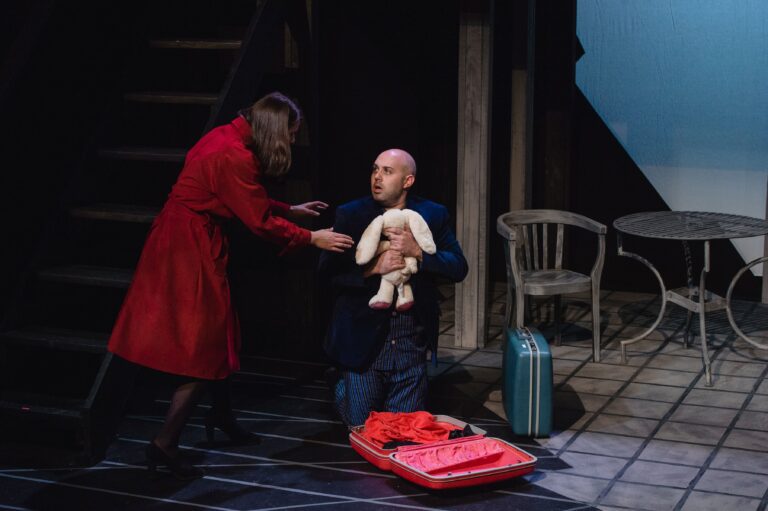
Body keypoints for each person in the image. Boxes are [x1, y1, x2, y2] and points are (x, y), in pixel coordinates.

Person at [107, 92, 353, 479]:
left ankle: (220, 415)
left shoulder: (227, 136)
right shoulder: (234, 155)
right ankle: (165, 443)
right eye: (290, 134)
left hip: (185, 238)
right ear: (274, 129)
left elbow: (238, 195)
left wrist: (288, 209)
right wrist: (311, 237)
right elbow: (257, 221)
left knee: (220, 334)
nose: (291, 141)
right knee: (204, 346)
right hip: (188, 249)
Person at [319, 149, 468, 427]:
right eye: (375, 169)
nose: (377, 177)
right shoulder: (352, 214)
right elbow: (327, 272)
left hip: (410, 341)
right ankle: (340, 384)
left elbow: (459, 266)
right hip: (364, 342)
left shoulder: (432, 215)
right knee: (360, 425)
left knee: (402, 429)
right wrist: (374, 268)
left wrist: (419, 253)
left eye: (387, 171)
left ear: (407, 181)